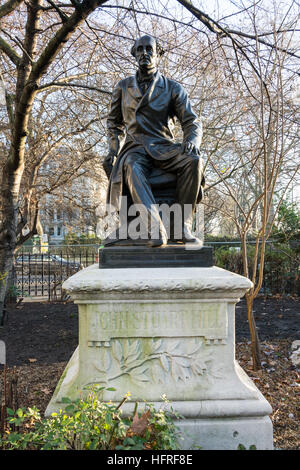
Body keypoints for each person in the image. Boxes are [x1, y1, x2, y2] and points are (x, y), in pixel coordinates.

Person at [103, 34, 204, 247]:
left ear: (159, 54)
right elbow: (113, 123)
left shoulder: (173, 88)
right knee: (130, 165)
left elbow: (192, 121)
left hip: (164, 146)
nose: (144, 54)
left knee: (194, 161)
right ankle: (155, 227)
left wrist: (192, 142)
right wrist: (113, 150)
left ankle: (181, 226)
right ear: (134, 54)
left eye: (149, 49)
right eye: (139, 50)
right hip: (135, 146)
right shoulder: (123, 87)